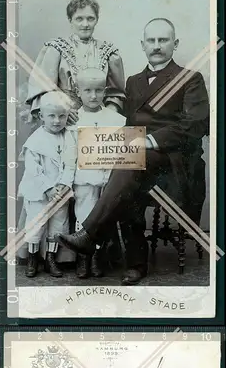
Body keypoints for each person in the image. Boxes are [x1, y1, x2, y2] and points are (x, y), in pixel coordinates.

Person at [55, 18, 210, 285]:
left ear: (175, 43)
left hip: (175, 162)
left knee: (129, 163)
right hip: (138, 161)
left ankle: (90, 236)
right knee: (127, 170)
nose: (157, 46)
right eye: (151, 40)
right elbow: (127, 126)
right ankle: (135, 265)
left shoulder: (190, 79)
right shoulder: (134, 81)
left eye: (163, 40)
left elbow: (196, 125)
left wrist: (149, 141)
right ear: (142, 45)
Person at [18, 0, 125, 264]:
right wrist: (64, 113)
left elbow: (116, 92)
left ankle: (95, 254)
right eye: (79, 18)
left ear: (97, 20)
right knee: (62, 183)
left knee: (94, 187)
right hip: (64, 124)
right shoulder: (56, 48)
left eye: (90, 18)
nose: (85, 23)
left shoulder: (109, 51)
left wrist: (106, 114)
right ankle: (56, 254)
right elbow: (43, 89)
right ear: (70, 20)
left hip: (97, 124)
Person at [73, 67, 126, 278]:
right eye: (87, 91)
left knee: (102, 215)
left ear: (105, 91)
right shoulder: (73, 119)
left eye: (98, 90)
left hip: (107, 175)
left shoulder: (115, 119)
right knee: (84, 212)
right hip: (84, 176)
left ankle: (97, 256)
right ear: (78, 92)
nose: (93, 96)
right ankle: (83, 258)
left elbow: (122, 148)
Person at [18, 91, 76, 278]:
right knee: (36, 225)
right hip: (40, 192)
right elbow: (33, 169)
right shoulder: (36, 140)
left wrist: (64, 185)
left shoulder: (68, 137)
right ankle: (33, 258)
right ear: (42, 116)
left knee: (58, 226)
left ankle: (51, 258)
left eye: (62, 116)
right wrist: (48, 188)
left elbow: (70, 163)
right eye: (52, 116)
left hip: (60, 192)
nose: (57, 121)